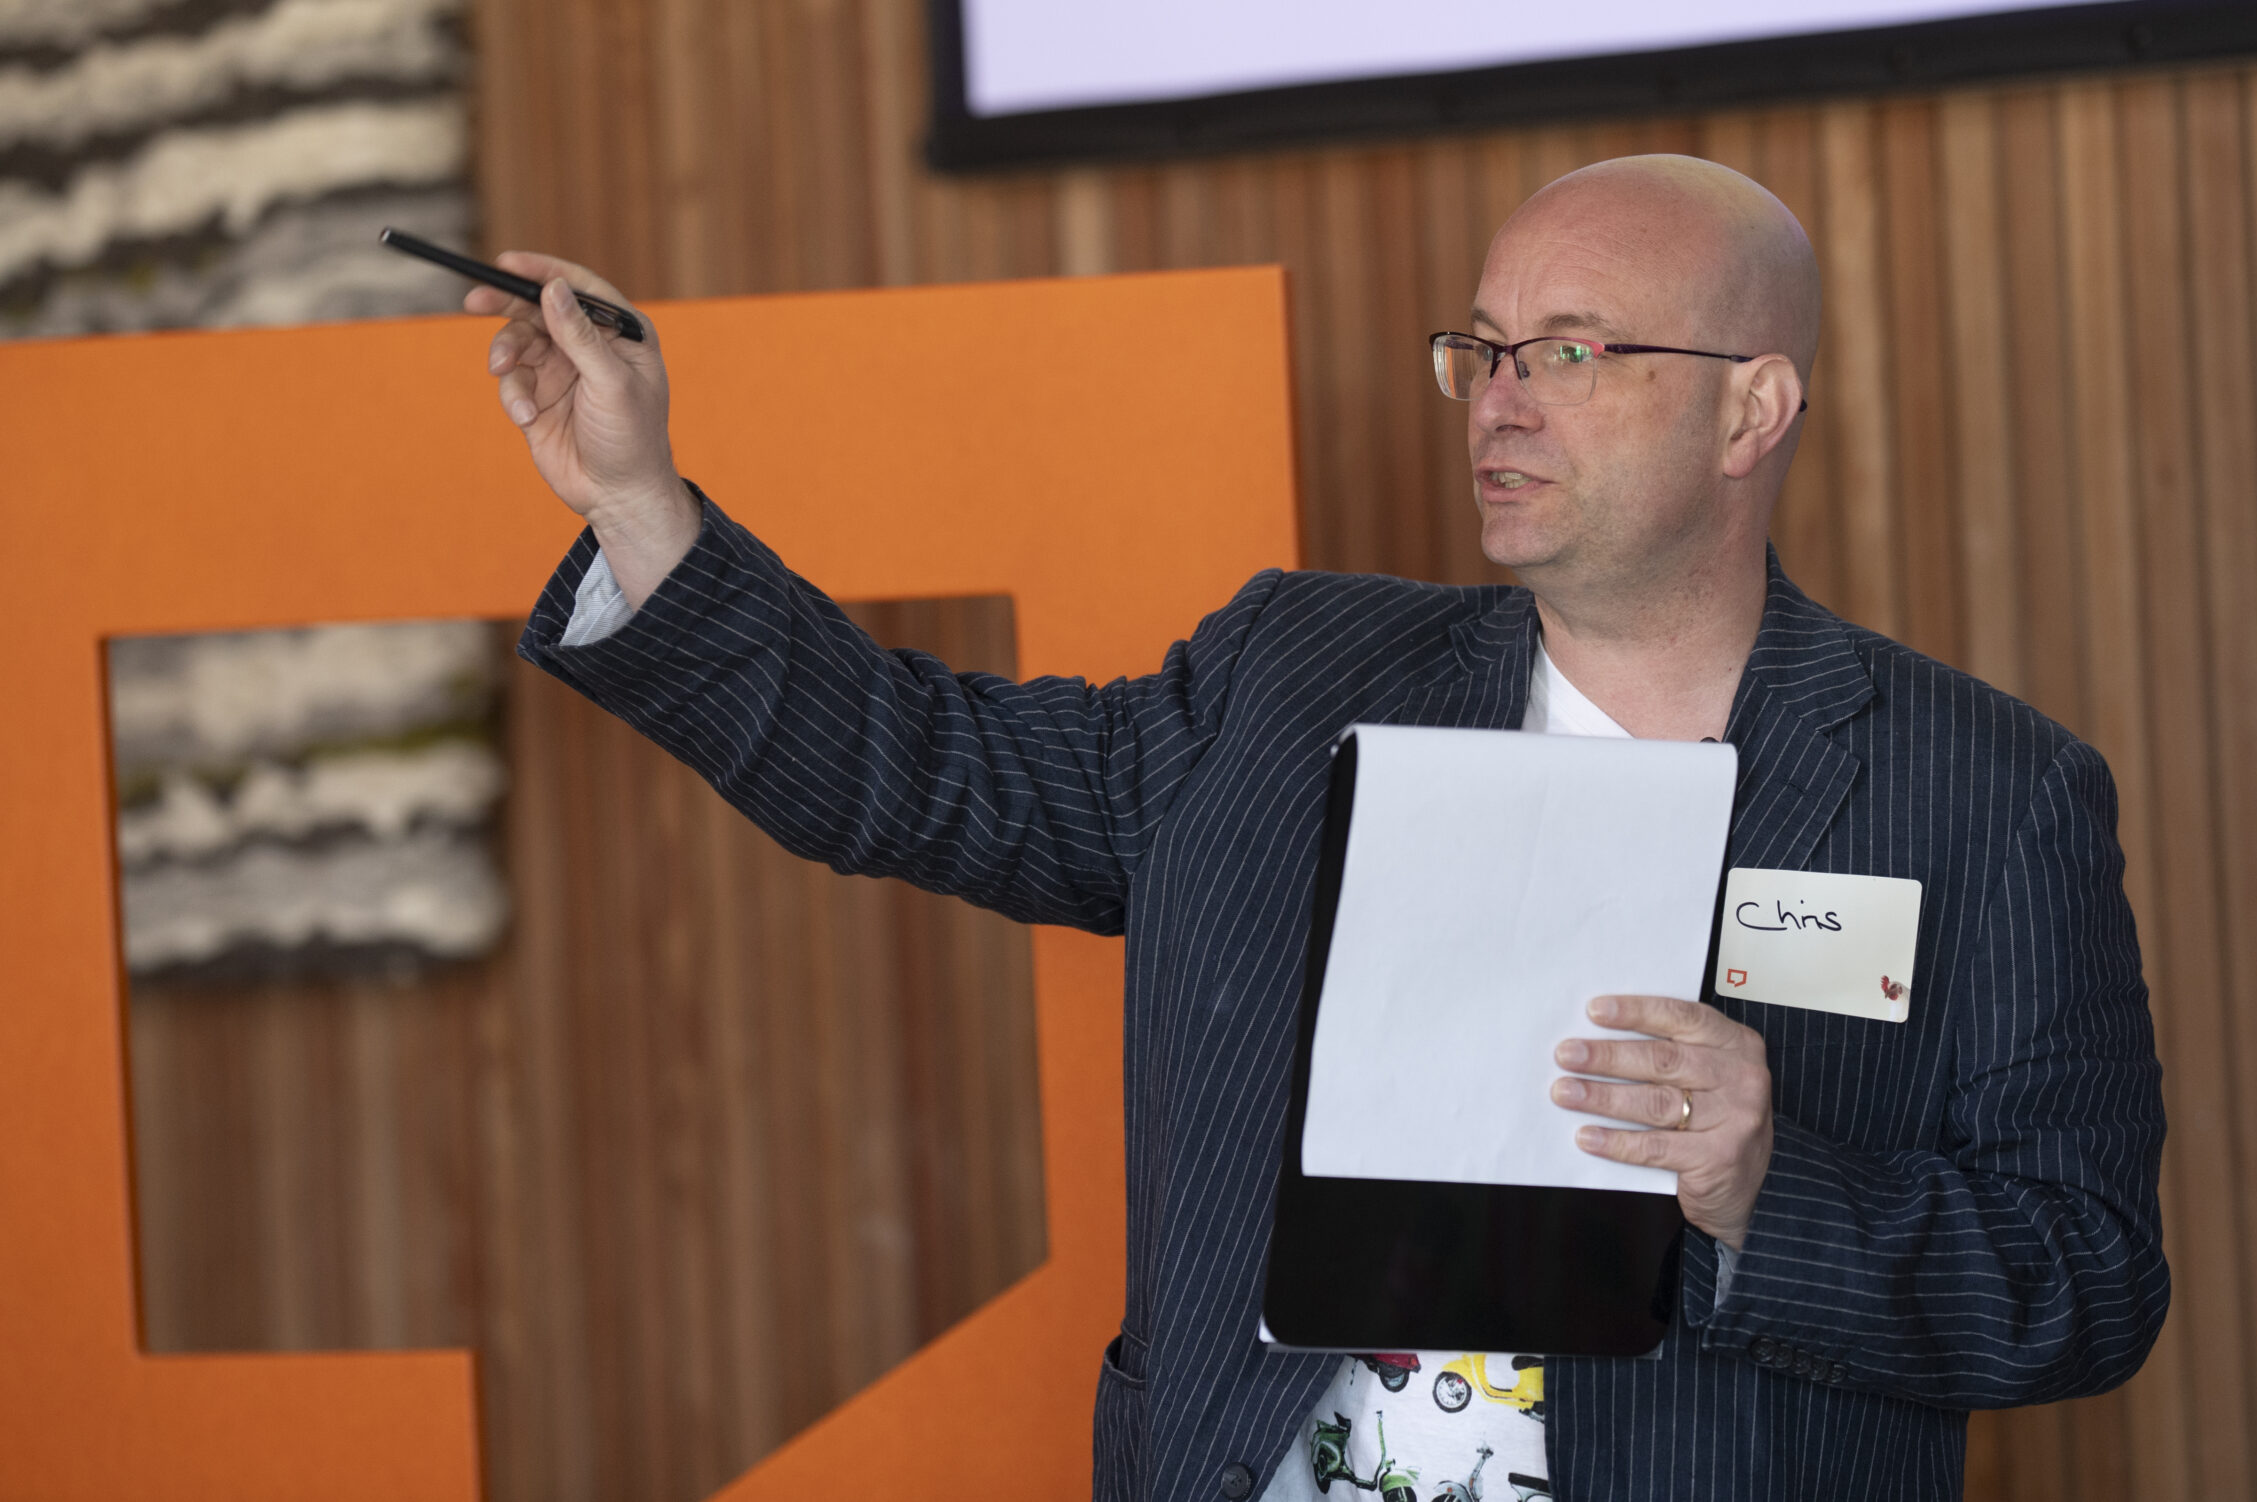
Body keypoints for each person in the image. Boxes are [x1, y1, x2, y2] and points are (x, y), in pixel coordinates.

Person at [472, 155, 2168, 1501]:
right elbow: (922, 766)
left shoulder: (1986, 792)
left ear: (1751, 408)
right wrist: (640, 499)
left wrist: (1766, 1183)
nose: (1500, 398)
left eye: (1571, 352)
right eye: (1481, 350)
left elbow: (2085, 1280)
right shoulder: (1295, 677)